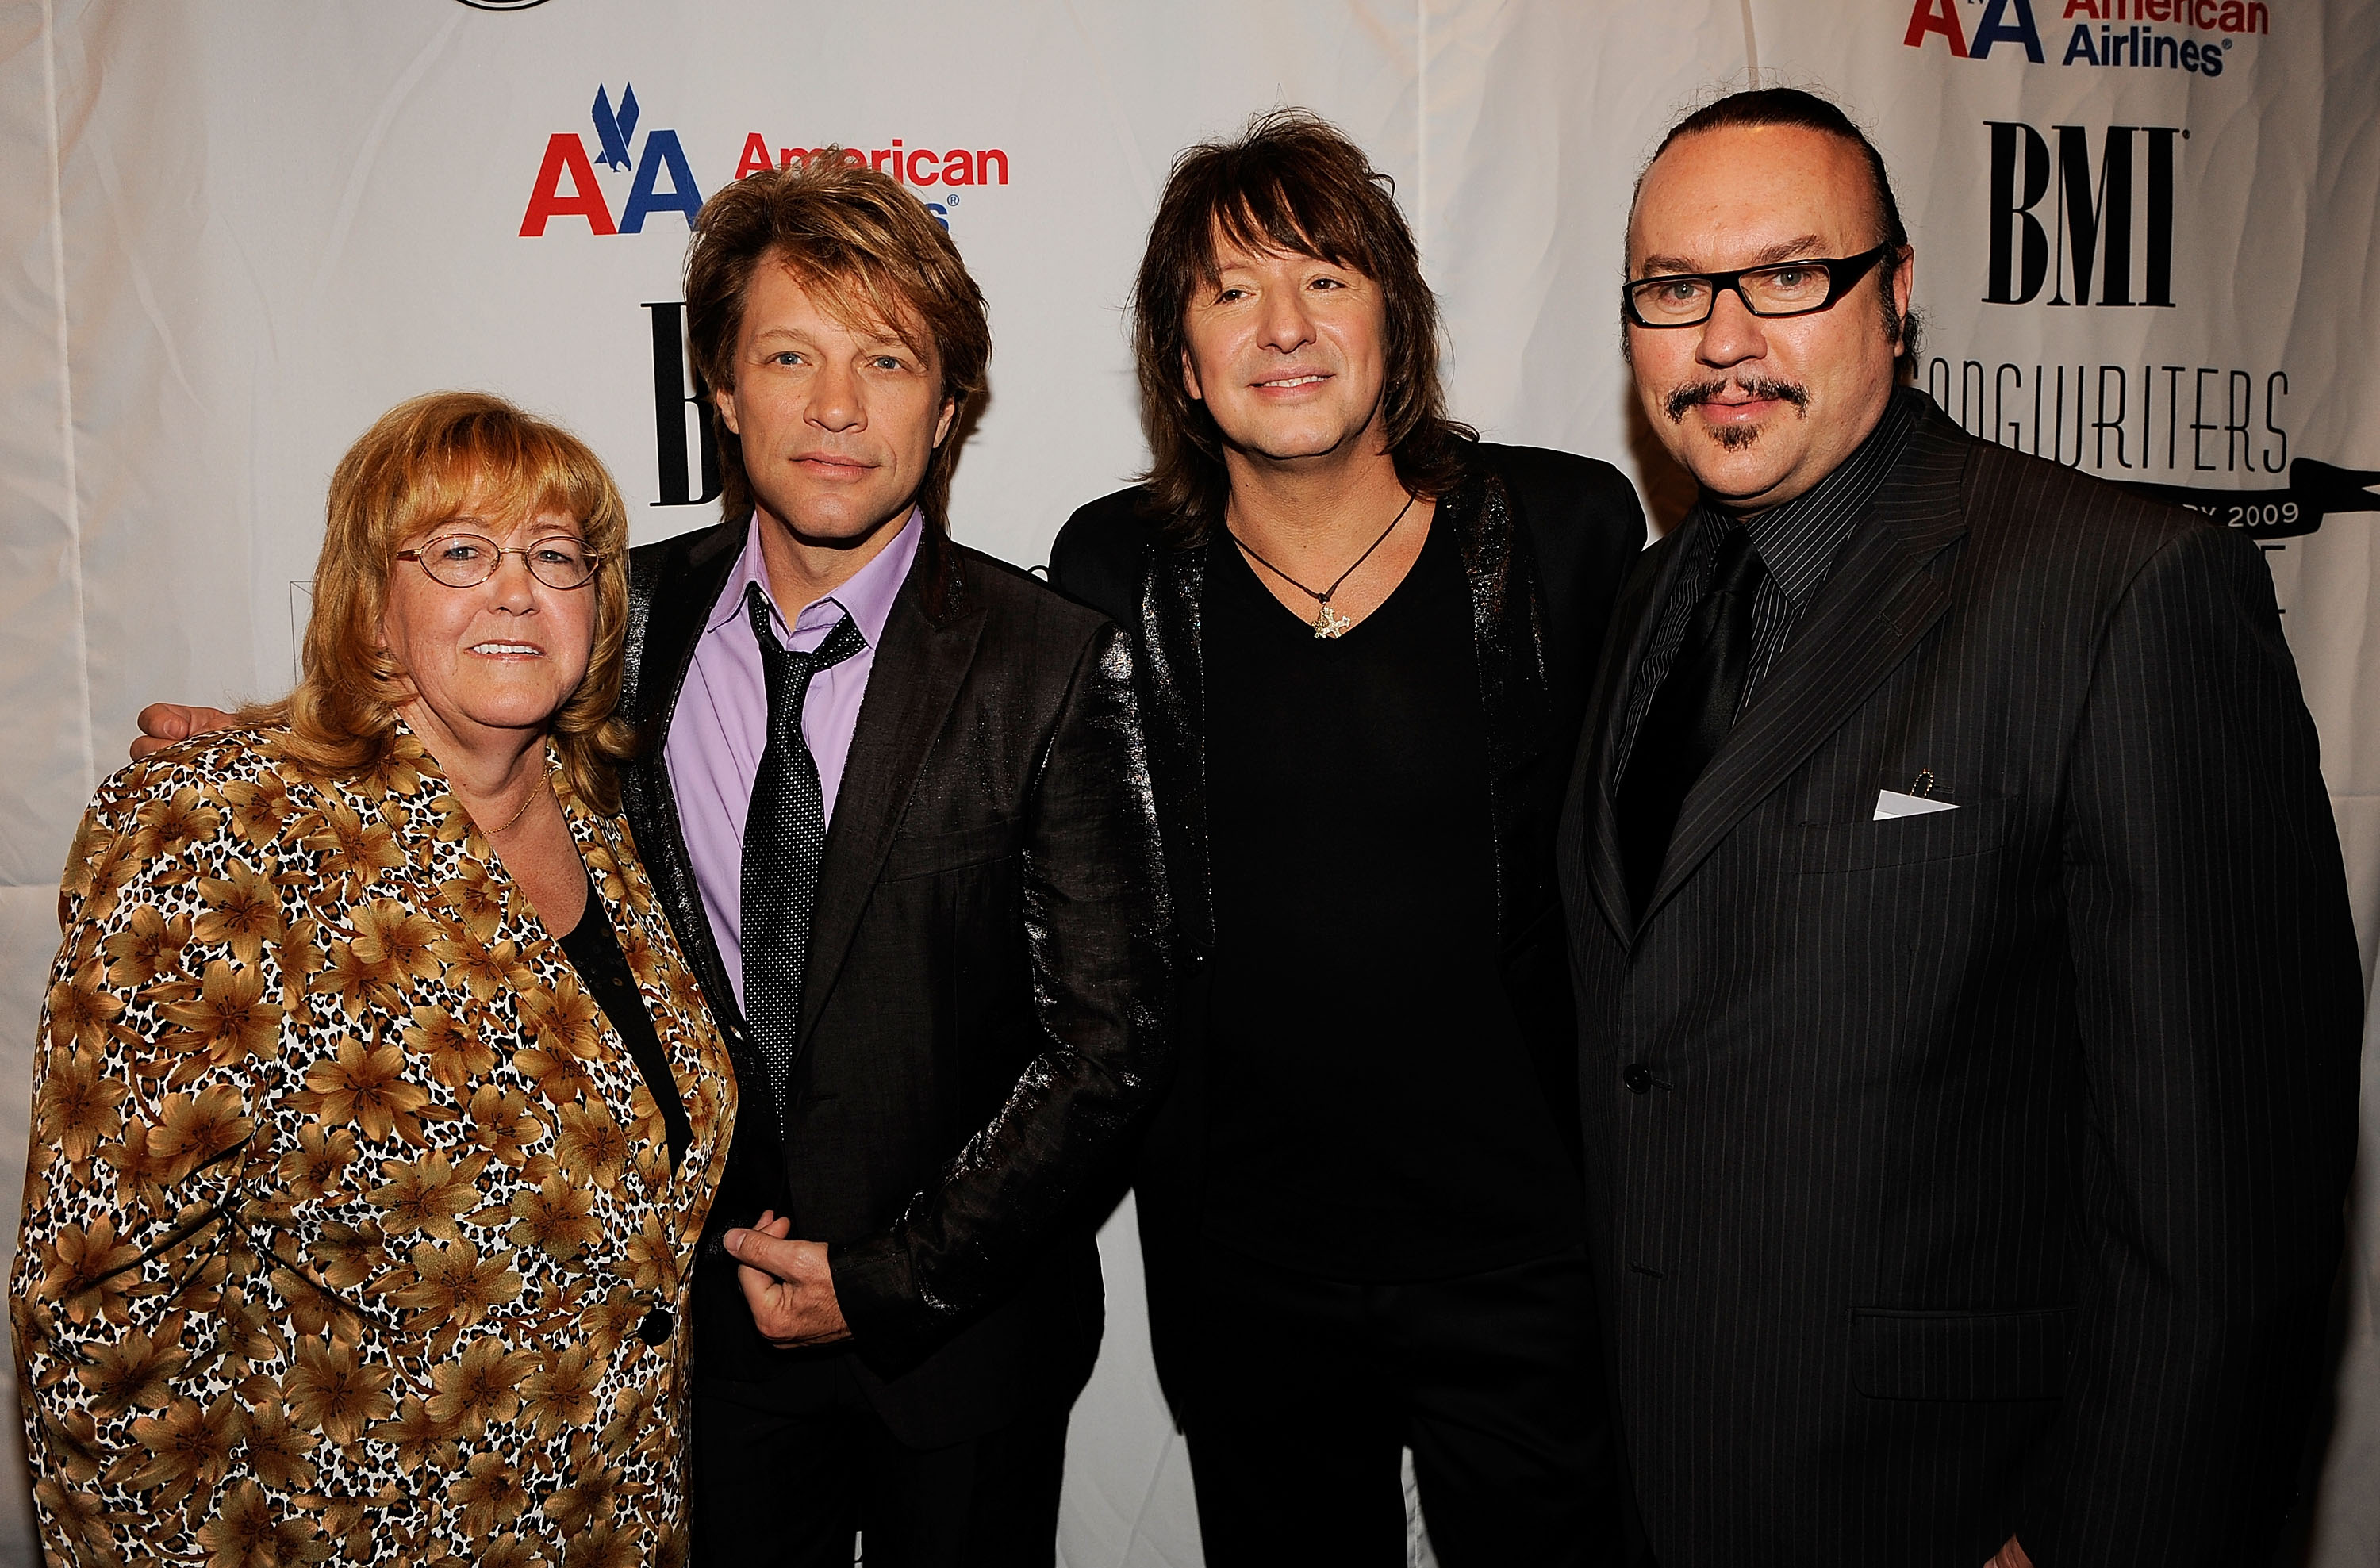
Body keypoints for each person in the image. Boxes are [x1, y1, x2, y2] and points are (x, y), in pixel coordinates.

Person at [1557, 86, 2363, 1567]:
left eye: (1790, 275)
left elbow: (2230, 1202)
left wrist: (2086, 1537)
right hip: (1671, 1480)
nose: (1723, 336)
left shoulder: (2123, 592)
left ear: (1899, 293)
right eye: (1674, 288)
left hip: (1949, 1505)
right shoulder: (1655, 598)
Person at [1050, 110, 1645, 1565]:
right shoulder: (1112, 569)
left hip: (1531, 1264)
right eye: (1231, 291)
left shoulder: (1568, 531)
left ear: (1398, 321)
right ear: (1181, 364)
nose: (1284, 325)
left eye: (1325, 276)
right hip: (1252, 1278)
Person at [20, 391, 739, 1565]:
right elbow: (104, 1316)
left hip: (617, 1527)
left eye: (554, 555)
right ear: (370, 604)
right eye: (460, 550)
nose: (516, 587)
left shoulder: (600, 817)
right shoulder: (220, 835)